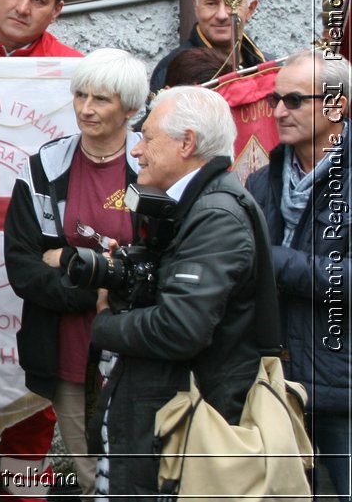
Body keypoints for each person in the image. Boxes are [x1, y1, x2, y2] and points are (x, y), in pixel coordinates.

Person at [92, 86, 269, 497]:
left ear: (187, 143)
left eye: (148, 138)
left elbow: (179, 328)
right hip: (164, 420)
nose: (136, 152)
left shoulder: (216, 216)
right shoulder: (191, 207)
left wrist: (104, 324)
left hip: (185, 431)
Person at [0, 48, 150, 499]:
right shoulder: (44, 167)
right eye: (80, 95)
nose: (86, 108)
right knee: (88, 473)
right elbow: (23, 267)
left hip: (140, 345)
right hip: (66, 347)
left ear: (129, 107)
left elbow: (159, 265)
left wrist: (65, 259)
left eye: (100, 99)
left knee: (140, 467)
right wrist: (98, 287)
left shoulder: (153, 163)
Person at [244, 49, 350, 502]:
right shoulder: (260, 183)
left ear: (336, 105)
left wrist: (274, 261)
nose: (279, 111)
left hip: (342, 389)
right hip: (273, 384)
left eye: (294, 100)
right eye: (275, 100)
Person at [149, 0, 267, 92]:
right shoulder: (171, 71)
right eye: (211, 4)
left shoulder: (269, 68)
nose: (221, 15)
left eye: (232, 4)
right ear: (196, 6)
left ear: (250, 9)